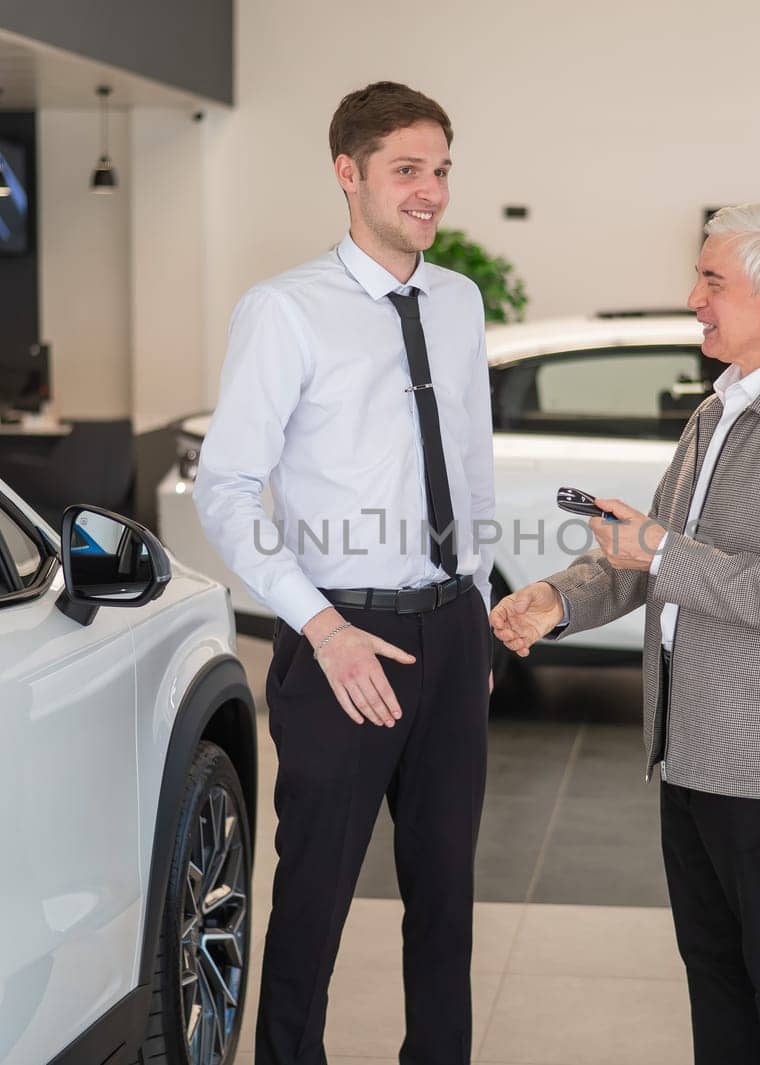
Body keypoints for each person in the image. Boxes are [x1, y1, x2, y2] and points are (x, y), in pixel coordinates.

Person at [493, 203, 760, 1065]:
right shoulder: (718, 409)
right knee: (713, 967)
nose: (693, 298)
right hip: (693, 743)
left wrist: (662, 548)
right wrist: (557, 600)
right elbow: (652, 555)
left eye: (714, 281)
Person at [194, 81, 493, 1065]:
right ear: (348, 173)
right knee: (314, 903)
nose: (430, 191)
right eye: (407, 168)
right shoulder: (285, 311)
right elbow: (228, 489)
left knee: (446, 901)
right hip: (339, 639)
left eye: (441, 170)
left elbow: (471, 460)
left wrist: (479, 610)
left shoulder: (457, 302)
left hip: (451, 634)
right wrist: (318, 628)